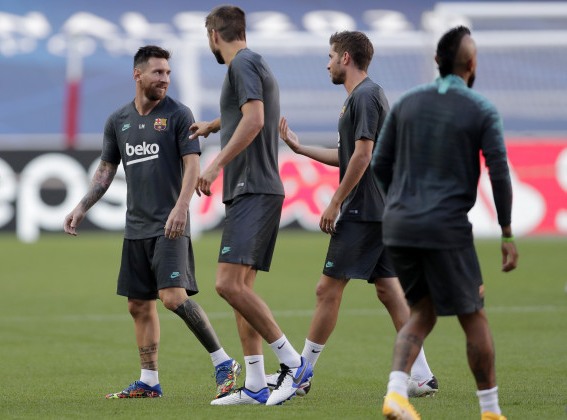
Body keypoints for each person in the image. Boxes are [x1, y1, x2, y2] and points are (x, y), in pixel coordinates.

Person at [63, 45, 240, 401]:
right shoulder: (118, 121)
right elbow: (106, 170)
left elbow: (191, 165)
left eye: (168, 73)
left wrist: (181, 207)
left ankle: (223, 362)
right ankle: (149, 381)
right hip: (136, 227)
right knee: (138, 305)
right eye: (158, 72)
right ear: (138, 75)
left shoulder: (178, 114)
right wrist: (82, 206)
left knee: (172, 297)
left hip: (170, 223)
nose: (165, 79)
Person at [274, 30, 436, 398]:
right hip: (381, 209)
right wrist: (301, 149)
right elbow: (350, 154)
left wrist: (335, 202)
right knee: (388, 290)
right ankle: (423, 374)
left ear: (346, 58)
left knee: (327, 289)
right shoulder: (361, 98)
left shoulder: (364, 96)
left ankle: (303, 373)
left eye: (331, 56)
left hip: (365, 210)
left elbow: (362, 156)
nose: (327, 63)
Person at [372, 26, 518, 420]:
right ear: (472, 64)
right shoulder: (481, 108)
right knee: (474, 316)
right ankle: (491, 411)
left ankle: (396, 394)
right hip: (445, 227)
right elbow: (499, 173)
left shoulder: (406, 103)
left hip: (398, 226)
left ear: (437, 63)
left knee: (422, 312)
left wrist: (399, 202)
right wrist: (506, 231)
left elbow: (379, 166)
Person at [189, 4, 312, 406]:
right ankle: (256, 385)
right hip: (256, 188)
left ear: (214, 36)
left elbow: (255, 119)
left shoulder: (240, 65)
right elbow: (243, 113)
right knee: (240, 289)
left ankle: (294, 364)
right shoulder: (253, 63)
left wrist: (215, 164)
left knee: (226, 284)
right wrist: (213, 125)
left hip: (252, 187)